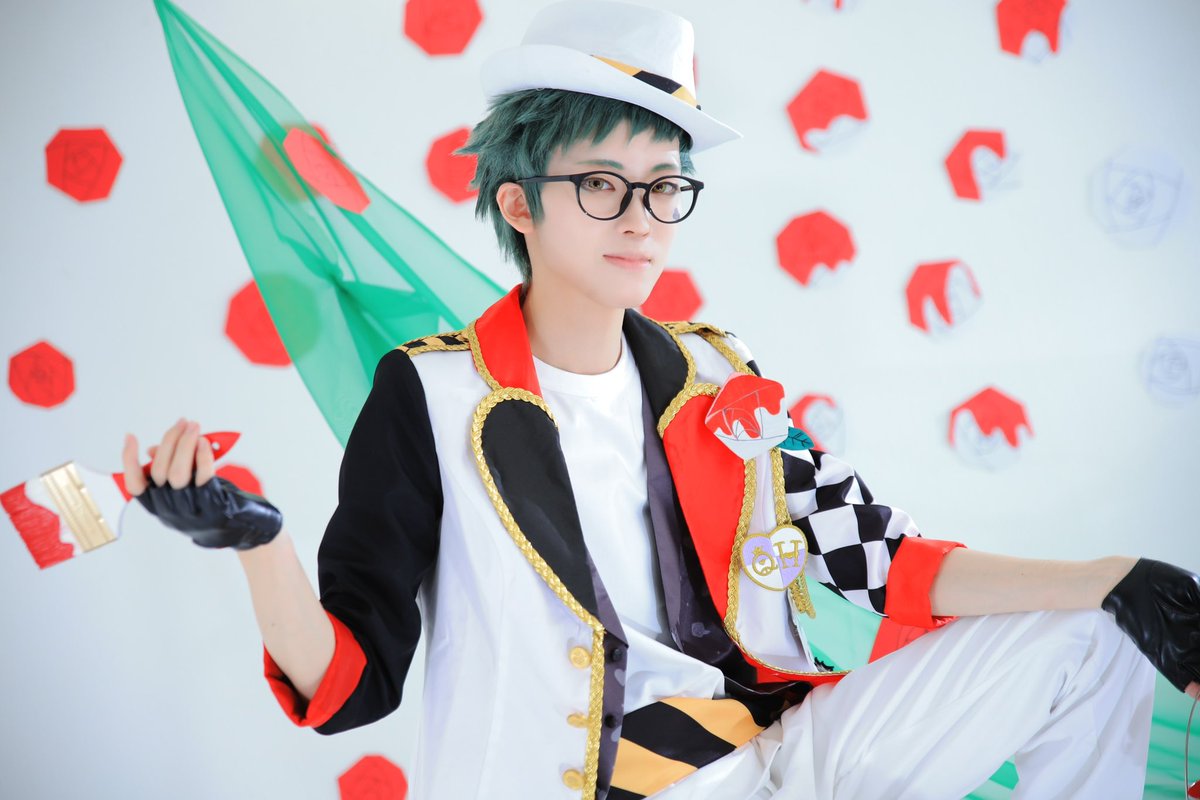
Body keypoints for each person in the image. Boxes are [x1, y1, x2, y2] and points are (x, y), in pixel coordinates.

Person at [122, 1, 1199, 798]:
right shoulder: (434, 395)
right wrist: (259, 544)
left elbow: (884, 557)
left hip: (783, 756)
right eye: (602, 183)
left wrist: (1113, 580)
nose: (641, 217)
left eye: (664, 185)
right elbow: (352, 678)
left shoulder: (718, 378)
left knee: (1094, 638)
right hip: (597, 784)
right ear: (519, 203)